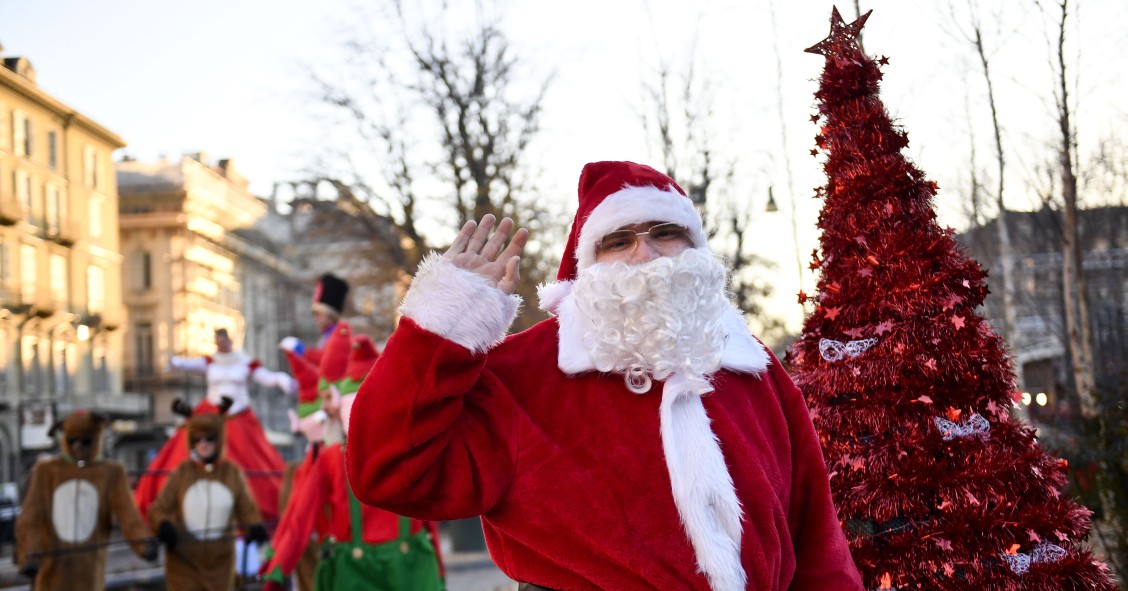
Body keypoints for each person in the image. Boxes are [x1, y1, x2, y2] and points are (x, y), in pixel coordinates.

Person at [346, 161, 865, 590]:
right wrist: (445, 325)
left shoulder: (751, 364)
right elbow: (387, 471)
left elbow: (816, 536)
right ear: (585, 265)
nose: (645, 253)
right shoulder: (523, 373)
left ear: (696, 248)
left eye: (666, 233)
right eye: (618, 241)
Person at [261, 323, 444, 591]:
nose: (326, 408)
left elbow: (300, 518)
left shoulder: (333, 457)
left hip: (367, 571)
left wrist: (276, 572)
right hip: (404, 569)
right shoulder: (403, 450)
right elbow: (300, 517)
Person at [135, 328, 294, 523]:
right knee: (183, 450)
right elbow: (187, 365)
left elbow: (266, 377)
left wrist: (281, 379)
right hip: (211, 415)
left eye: (223, 341)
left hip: (238, 417)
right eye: (217, 341)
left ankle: (252, 509)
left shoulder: (244, 362)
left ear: (229, 341)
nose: (220, 345)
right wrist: (173, 361)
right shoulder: (210, 362)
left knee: (251, 461)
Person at [15, 410, 158, 591]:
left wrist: (144, 545)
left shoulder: (111, 472)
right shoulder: (46, 471)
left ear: (96, 438)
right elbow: (30, 518)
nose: (78, 447)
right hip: (50, 574)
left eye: (86, 441)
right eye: (72, 441)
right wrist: (29, 555)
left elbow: (129, 517)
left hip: (89, 574)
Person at [149, 397, 269, 591]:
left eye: (209, 438)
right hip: (184, 567)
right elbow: (159, 508)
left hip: (220, 568)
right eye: (197, 439)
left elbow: (246, 509)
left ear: (219, 438)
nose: (203, 444)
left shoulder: (232, 472)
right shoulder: (182, 472)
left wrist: (254, 526)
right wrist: (164, 525)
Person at [280, 273, 350, 366]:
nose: (316, 318)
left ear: (329, 315)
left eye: (318, 314)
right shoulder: (327, 334)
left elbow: (325, 361)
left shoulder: (339, 333)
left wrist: (302, 350)